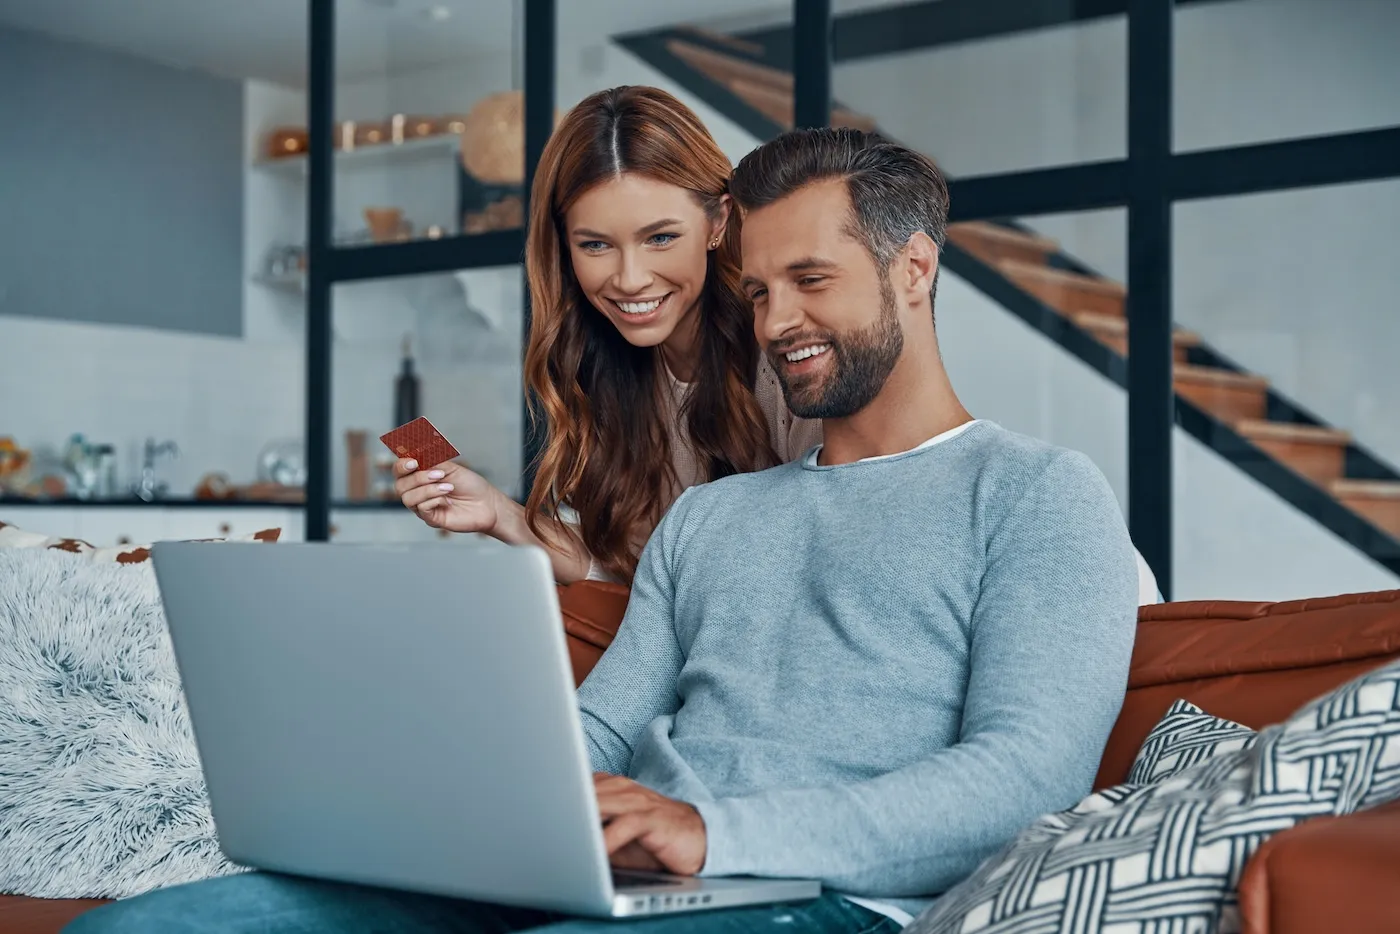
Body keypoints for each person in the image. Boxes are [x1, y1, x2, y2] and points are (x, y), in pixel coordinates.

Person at [68, 128, 1140, 934]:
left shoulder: (1037, 494)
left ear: (915, 269)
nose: (773, 325)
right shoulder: (711, 518)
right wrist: (445, 800)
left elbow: (1024, 777)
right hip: (614, 871)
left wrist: (717, 835)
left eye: (810, 281)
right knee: (151, 925)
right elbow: (599, 727)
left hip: (819, 892)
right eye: (758, 290)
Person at [395, 85, 821, 586]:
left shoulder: (787, 354)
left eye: (660, 237)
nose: (630, 279)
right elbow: (633, 576)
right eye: (596, 244)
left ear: (717, 221)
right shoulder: (609, 366)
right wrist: (497, 513)